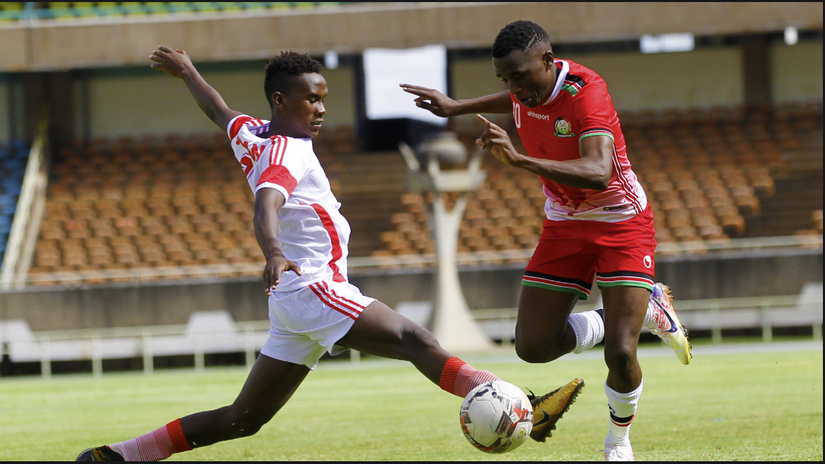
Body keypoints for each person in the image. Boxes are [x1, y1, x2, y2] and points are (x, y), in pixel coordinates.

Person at [75, 46, 583, 462]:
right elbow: (266, 202)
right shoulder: (287, 151)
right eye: (311, 100)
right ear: (281, 100)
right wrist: (274, 251)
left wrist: (188, 72)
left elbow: (218, 111)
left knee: (242, 420)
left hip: (293, 302)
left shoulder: (252, 132)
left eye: (323, 99)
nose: (321, 109)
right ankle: (523, 403)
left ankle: (115, 456)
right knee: (414, 338)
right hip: (312, 285)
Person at [401, 20, 692, 461]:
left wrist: (519, 160)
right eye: (505, 79)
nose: (514, 89)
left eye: (519, 77)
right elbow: (517, 99)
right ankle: (646, 309)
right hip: (563, 221)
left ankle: (618, 443)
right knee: (533, 347)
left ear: (548, 62)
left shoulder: (587, 93)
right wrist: (457, 107)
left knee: (620, 351)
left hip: (620, 220)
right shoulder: (526, 89)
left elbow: (599, 172)